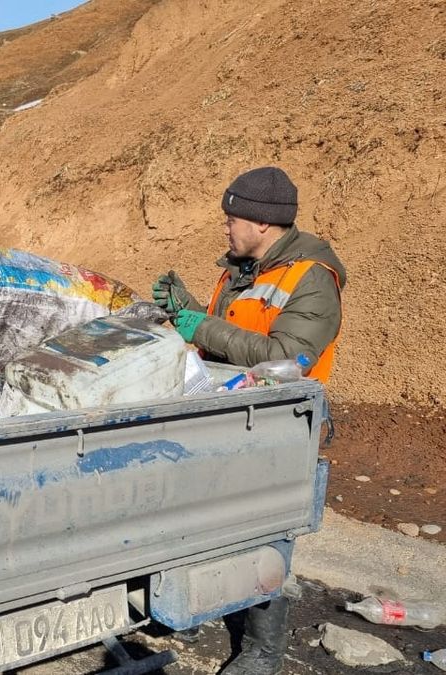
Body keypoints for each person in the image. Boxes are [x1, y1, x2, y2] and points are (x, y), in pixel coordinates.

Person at [152, 166, 346, 675]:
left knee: (266, 530)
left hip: (282, 423)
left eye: (231, 218)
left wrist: (201, 324)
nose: (225, 228)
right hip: (228, 413)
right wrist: (184, 310)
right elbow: (225, 338)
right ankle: (203, 601)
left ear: (263, 223)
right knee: (207, 517)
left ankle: (263, 648)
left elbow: (285, 355)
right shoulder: (240, 271)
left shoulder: (311, 281)